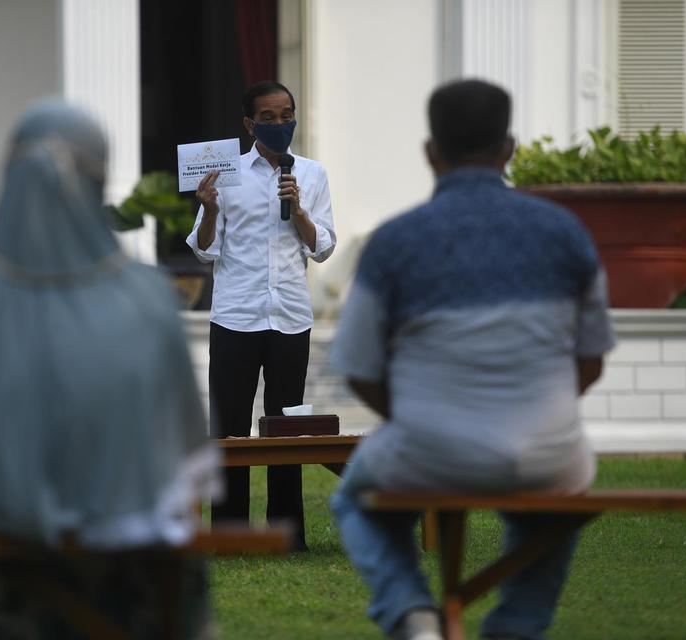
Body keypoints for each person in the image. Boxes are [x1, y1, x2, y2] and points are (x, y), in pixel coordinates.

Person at [0, 100, 220, 639]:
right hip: (138, 579)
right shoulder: (145, 300)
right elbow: (180, 452)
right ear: (100, 181)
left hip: (12, 573)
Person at [329, 79, 615, 640]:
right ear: (509, 148)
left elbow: (359, 369)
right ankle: (518, 623)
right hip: (547, 451)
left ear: (430, 151)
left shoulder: (394, 242)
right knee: (562, 493)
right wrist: (530, 408)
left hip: (428, 447)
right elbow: (591, 360)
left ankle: (411, 611)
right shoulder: (566, 234)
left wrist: (418, 413)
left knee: (355, 500)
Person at [186, 80, 336, 552]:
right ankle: (230, 534)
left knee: (286, 425)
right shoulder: (224, 173)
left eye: (286, 114)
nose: (279, 124)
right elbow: (206, 249)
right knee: (229, 427)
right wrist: (208, 210)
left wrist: (302, 212)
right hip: (236, 315)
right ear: (250, 124)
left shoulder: (311, 174)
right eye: (268, 117)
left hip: (290, 314)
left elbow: (324, 246)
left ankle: (286, 532)